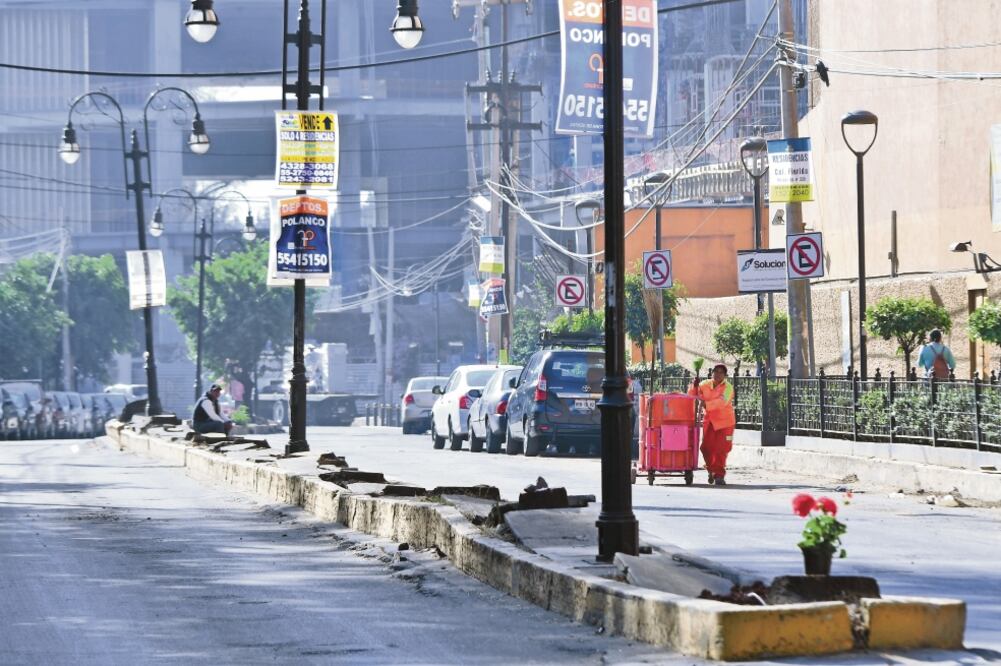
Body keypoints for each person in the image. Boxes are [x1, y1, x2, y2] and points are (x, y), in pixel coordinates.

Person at [689, 363, 736, 486]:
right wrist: (694, 385)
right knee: (706, 448)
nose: (718, 374)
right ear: (712, 373)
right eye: (716, 371)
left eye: (721, 372)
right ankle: (711, 469)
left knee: (722, 449)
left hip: (726, 423)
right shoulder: (704, 384)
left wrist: (706, 405)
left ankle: (719, 475)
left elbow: (722, 402)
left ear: (725, 375)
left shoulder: (728, 388)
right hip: (709, 422)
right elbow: (692, 395)